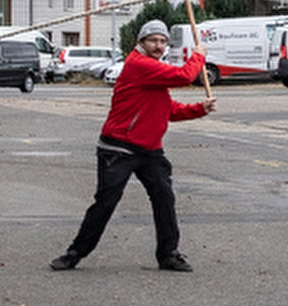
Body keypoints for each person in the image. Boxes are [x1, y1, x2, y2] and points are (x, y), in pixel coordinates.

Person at [50, 20, 211, 273]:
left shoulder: (153, 70)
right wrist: (198, 56)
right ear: (141, 42)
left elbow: (167, 110)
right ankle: (74, 253)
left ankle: (169, 254)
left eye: (162, 41)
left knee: (164, 198)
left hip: (149, 150)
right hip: (118, 147)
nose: (158, 46)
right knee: (106, 202)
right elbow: (185, 76)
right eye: (153, 41)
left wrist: (199, 109)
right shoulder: (139, 65)